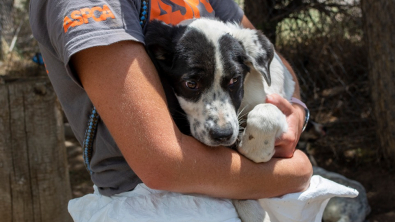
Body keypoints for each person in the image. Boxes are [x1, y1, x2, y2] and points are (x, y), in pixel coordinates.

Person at [29, 0, 312, 220]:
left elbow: (267, 58)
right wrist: (298, 172)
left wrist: (296, 110)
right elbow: (164, 164)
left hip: (244, 182)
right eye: (192, 82)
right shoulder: (87, 5)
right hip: (159, 203)